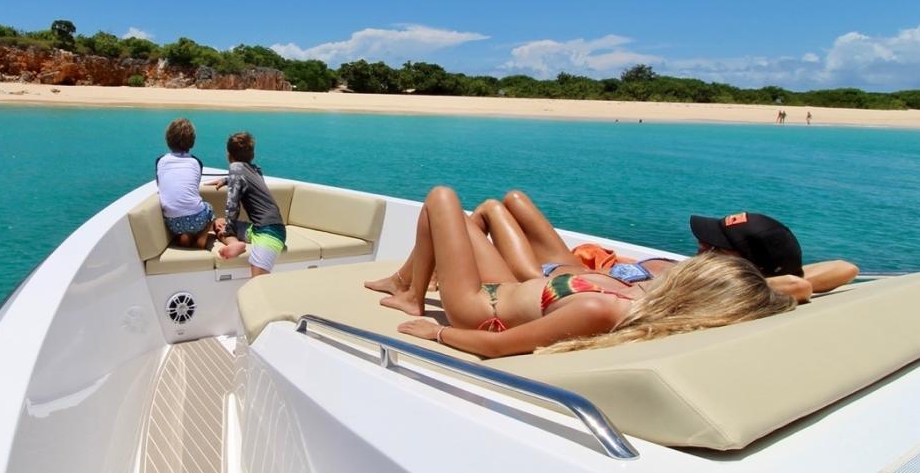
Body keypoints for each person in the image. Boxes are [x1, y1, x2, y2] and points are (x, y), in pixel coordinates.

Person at [384, 187, 797, 358]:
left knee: (442, 199)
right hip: (519, 289)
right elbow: (795, 285)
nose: (696, 258)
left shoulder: (604, 309)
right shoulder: (649, 301)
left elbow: (498, 347)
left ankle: (410, 294)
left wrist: (436, 332)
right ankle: (407, 286)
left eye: (707, 258)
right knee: (482, 208)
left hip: (479, 307)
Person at [367, 189, 857, 303]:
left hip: (543, 284)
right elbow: (847, 266)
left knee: (461, 214)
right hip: (572, 267)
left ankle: (410, 287)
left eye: (713, 247)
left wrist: (766, 284)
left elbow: (799, 283)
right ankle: (411, 279)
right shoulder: (716, 273)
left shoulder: (733, 290)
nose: (701, 248)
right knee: (505, 202)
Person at [212, 132, 286, 277]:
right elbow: (247, 179)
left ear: (229, 155)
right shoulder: (256, 170)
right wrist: (227, 180)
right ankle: (235, 244)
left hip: (269, 233)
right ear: (252, 155)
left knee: (257, 285)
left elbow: (232, 205)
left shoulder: (235, 168)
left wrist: (229, 229)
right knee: (218, 222)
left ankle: (233, 242)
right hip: (258, 229)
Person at [155, 118, 214, 249]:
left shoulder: (160, 161)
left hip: (172, 223)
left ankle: (186, 236)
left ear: (168, 140)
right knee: (209, 208)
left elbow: (160, 185)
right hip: (197, 220)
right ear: (192, 142)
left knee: (183, 214)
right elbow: (194, 187)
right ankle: (202, 236)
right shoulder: (196, 162)